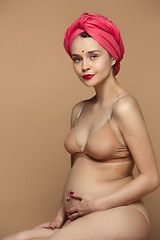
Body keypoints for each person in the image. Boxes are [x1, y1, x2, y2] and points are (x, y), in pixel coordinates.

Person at [3, 12, 159, 240]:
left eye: (94, 56)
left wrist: (98, 204)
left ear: (113, 57)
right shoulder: (79, 110)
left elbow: (151, 178)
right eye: (77, 59)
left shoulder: (124, 106)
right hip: (83, 216)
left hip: (120, 213)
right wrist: (59, 218)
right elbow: (75, 169)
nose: (85, 66)